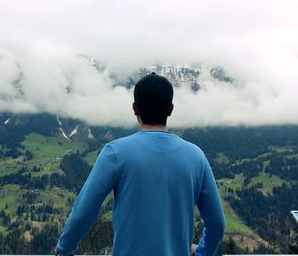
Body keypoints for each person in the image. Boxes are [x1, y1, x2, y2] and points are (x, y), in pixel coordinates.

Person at [54, 72, 225, 256]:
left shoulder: (115, 152)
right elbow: (216, 223)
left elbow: (83, 213)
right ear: (171, 109)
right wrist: (201, 253)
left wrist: (64, 249)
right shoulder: (196, 156)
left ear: (135, 108)